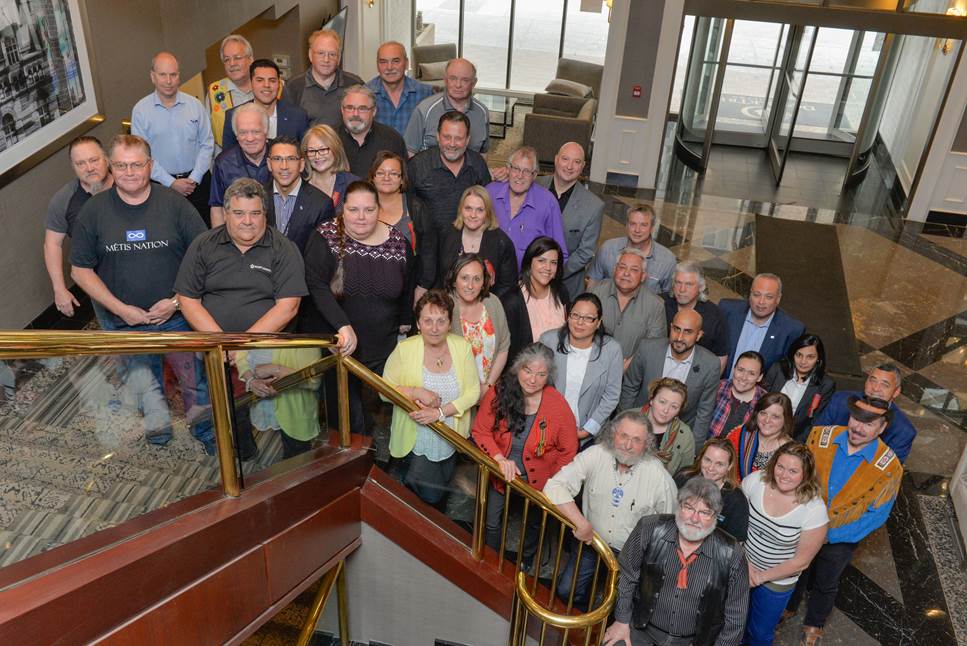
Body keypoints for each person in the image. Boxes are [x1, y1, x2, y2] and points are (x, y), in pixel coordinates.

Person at [69, 134, 213, 453]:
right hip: (124, 322)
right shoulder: (93, 211)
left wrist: (176, 301)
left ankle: (206, 432)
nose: (130, 172)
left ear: (150, 166)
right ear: (110, 166)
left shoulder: (175, 204)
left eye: (137, 164)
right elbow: (79, 270)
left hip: (176, 317)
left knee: (195, 381)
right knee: (145, 385)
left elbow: (205, 257)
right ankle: (158, 436)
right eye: (121, 165)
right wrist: (119, 309)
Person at [174, 178, 310, 457]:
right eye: (239, 213)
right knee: (229, 410)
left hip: (270, 350)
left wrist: (242, 347)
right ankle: (242, 453)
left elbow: (288, 307)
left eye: (255, 213)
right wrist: (221, 342)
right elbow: (188, 299)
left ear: (265, 214)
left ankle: (296, 462)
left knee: (289, 413)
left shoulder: (283, 248)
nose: (247, 221)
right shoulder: (204, 244)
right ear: (226, 214)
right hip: (216, 348)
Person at [786, 396, 903, 646]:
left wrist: (832, 535)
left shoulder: (889, 466)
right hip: (805, 523)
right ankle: (789, 606)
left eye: (869, 424)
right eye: (856, 419)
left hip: (842, 534)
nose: (859, 428)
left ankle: (815, 622)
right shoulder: (820, 437)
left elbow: (877, 515)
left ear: (882, 428)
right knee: (796, 568)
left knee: (827, 582)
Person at [302, 181, 415, 433]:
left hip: (383, 351)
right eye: (353, 210)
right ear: (343, 208)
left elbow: (407, 289)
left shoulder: (398, 244)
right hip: (340, 349)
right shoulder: (326, 236)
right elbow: (315, 285)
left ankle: (378, 463)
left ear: (379, 209)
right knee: (348, 423)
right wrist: (342, 325)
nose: (361, 217)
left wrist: (405, 328)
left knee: (384, 418)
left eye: (369, 210)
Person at [544, 410, 678, 608]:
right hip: (591, 542)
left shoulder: (660, 479)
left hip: (631, 556)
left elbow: (669, 529)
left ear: (647, 444)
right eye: (623, 436)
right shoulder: (596, 454)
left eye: (637, 440)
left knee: (618, 607)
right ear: (613, 433)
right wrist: (581, 523)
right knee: (567, 591)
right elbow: (553, 487)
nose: (628, 445)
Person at [602, 477, 749, 646]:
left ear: (715, 516)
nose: (694, 518)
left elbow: (736, 616)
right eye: (689, 507)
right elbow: (627, 576)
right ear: (678, 506)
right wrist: (621, 620)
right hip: (642, 628)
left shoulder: (731, 553)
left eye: (704, 512)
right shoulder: (649, 528)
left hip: (694, 641)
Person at [471, 343, 578, 562]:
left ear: (548, 376)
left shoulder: (558, 406)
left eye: (541, 374)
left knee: (535, 524)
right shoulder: (499, 391)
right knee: (490, 521)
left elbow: (568, 451)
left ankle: (526, 562)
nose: (532, 379)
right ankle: (490, 560)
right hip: (499, 473)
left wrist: (552, 481)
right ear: (518, 368)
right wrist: (499, 459)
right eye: (527, 371)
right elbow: (480, 431)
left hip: (539, 482)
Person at [382, 290, 480, 505]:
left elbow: (473, 391)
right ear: (418, 323)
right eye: (428, 321)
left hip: (450, 437)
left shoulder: (461, 348)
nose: (434, 328)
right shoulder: (405, 349)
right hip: (416, 440)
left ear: (449, 323)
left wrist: (441, 412)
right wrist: (416, 392)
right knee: (427, 497)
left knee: (441, 492)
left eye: (440, 321)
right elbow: (384, 389)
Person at [742, 443, 828, 646]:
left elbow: (801, 562)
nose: (784, 475)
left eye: (793, 470)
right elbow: (735, 523)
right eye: (780, 466)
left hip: (776, 580)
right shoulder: (755, 482)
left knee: (759, 633)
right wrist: (744, 564)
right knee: (732, 622)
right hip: (742, 565)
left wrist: (759, 577)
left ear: (806, 474)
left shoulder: (814, 510)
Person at [131, 52, 214, 224]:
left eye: (173, 75)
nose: (168, 81)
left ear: (179, 76)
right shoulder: (140, 111)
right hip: (160, 186)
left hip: (198, 184)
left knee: (205, 233)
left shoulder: (195, 106)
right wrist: (171, 183)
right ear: (152, 77)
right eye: (163, 75)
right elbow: (142, 157)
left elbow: (207, 144)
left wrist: (195, 178)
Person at [620, 310, 720, 443]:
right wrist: (626, 424)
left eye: (688, 332)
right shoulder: (647, 348)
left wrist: (694, 450)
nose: (679, 337)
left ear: (699, 335)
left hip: (677, 439)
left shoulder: (710, 364)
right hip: (639, 427)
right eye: (676, 329)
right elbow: (629, 388)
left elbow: (704, 412)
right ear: (671, 327)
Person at [539, 293, 623, 448]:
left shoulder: (611, 350)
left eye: (588, 318)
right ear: (568, 317)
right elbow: (536, 385)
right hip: (545, 427)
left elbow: (611, 396)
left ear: (598, 323)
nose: (579, 322)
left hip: (587, 436)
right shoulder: (548, 341)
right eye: (575, 315)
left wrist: (587, 430)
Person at [45, 136, 113, 317]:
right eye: (81, 163)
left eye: (94, 160)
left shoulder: (129, 183)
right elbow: (52, 244)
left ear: (106, 158)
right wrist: (59, 289)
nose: (89, 168)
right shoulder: (64, 200)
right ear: (73, 166)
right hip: (101, 286)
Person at [536, 142, 604, 300]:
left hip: (566, 285)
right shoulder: (535, 186)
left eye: (577, 162)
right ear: (555, 160)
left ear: (583, 167)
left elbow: (585, 251)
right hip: (527, 279)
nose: (570, 166)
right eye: (565, 159)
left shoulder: (594, 206)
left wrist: (553, 271)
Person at [408, 111, 492, 232]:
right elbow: (403, 208)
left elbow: (487, 206)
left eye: (458, 138)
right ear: (437, 136)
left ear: (468, 139)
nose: (452, 144)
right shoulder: (417, 165)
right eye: (446, 137)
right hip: (427, 245)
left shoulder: (477, 164)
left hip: (467, 243)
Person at [813, 363, 914, 463]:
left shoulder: (903, 431)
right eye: (872, 381)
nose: (875, 388)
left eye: (884, 385)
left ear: (896, 391)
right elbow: (816, 436)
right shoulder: (840, 401)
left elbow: (887, 471)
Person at [487, 146, 568, 269]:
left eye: (526, 171)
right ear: (508, 169)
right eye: (516, 169)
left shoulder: (548, 203)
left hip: (527, 283)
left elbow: (560, 253)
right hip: (487, 279)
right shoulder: (490, 193)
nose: (520, 176)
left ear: (534, 175)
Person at [369, 150, 436, 297]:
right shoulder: (362, 206)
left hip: (408, 289)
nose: (387, 177)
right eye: (380, 173)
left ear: (402, 179)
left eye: (394, 173)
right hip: (369, 288)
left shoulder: (416, 208)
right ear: (373, 177)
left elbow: (428, 252)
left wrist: (422, 287)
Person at [435, 185, 518, 298]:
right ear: (461, 210)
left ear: (487, 213)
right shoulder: (446, 235)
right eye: (468, 208)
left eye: (479, 210)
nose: (473, 215)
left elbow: (508, 286)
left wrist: (486, 305)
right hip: (450, 304)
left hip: (487, 307)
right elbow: (438, 279)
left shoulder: (501, 242)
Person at [446, 253, 510, 399]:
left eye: (477, 279)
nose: (470, 285)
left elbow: (503, 347)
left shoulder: (493, 302)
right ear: (454, 280)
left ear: (483, 282)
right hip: (456, 393)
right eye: (464, 278)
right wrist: (471, 393)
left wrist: (487, 387)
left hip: (490, 391)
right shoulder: (444, 306)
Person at [589, 248, 667, 365]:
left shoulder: (656, 305)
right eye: (622, 267)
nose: (626, 273)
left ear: (643, 276)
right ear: (615, 270)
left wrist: (630, 365)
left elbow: (654, 347)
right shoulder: (595, 292)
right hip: (591, 363)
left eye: (634, 270)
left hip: (630, 375)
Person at [720, 273, 805, 378]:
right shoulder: (727, 310)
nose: (761, 302)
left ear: (778, 299)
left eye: (769, 297)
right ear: (750, 294)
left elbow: (787, 373)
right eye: (756, 294)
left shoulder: (791, 330)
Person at [261, 136, 334, 254]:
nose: (284, 166)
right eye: (277, 159)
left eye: (291, 159)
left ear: (301, 164)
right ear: (269, 164)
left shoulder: (321, 204)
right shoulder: (258, 197)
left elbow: (321, 257)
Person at [404, 58, 490, 155]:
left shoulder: (482, 112)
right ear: (445, 80)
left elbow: (483, 153)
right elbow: (410, 152)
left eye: (465, 80)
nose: (458, 85)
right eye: (453, 78)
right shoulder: (424, 110)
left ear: (474, 83)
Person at [221, 58, 311, 152]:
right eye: (260, 80)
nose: (266, 85)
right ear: (251, 83)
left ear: (279, 84)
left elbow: (304, 155)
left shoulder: (298, 116)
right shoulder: (233, 115)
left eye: (272, 80)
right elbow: (229, 159)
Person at [502, 237, 568, 359]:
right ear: (529, 262)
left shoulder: (561, 291)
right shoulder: (512, 301)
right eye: (541, 261)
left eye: (553, 262)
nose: (548, 268)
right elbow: (508, 352)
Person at [282, 28, 364, 128]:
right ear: (310, 55)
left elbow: (365, 121)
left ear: (338, 58)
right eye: (321, 53)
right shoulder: (294, 86)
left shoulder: (354, 84)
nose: (326, 60)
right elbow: (288, 128)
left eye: (332, 54)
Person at [588, 204, 676, 296]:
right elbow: (593, 283)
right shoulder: (608, 248)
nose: (637, 230)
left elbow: (668, 297)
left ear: (652, 228)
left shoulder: (667, 260)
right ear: (626, 225)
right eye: (633, 224)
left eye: (643, 225)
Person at [763, 334, 836, 442]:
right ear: (793, 354)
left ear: (818, 359)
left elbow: (815, 422)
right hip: (764, 427)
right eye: (799, 355)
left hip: (793, 438)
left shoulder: (825, 384)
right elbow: (761, 401)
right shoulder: (778, 369)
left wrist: (794, 444)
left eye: (810, 357)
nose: (803, 361)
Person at [674, 438, 749, 541]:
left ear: (729, 466)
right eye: (707, 460)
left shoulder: (736, 501)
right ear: (701, 458)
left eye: (719, 464)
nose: (711, 468)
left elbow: (735, 543)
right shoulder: (683, 478)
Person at [209, 103, 270, 227]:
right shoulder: (223, 163)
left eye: (256, 131)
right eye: (243, 133)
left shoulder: (281, 157)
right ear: (236, 135)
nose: (250, 138)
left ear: (266, 131)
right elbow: (217, 208)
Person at [663, 261, 729, 374]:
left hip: (695, 375)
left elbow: (721, 357)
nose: (682, 289)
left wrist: (710, 384)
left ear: (701, 287)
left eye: (689, 284)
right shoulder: (660, 304)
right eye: (678, 283)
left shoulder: (715, 316)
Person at [366, 41, 433, 136]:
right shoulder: (365, 94)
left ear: (406, 63)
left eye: (396, 61)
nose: (389, 67)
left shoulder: (425, 93)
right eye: (383, 62)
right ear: (377, 65)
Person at [338, 85, 407, 177]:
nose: (355, 114)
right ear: (342, 110)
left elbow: (403, 179)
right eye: (350, 108)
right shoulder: (330, 139)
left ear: (374, 111)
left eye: (362, 108)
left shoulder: (392, 139)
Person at [725, 392, 796, 479]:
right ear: (756, 414)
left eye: (775, 417)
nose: (767, 420)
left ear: (786, 420)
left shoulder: (791, 452)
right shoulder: (740, 435)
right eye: (763, 413)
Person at [639, 377, 696, 476]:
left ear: (679, 410)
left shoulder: (685, 436)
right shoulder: (628, 418)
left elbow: (684, 476)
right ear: (652, 399)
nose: (666, 410)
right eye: (662, 402)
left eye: (674, 406)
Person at [207, 34, 254, 151]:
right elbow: (207, 137)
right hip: (227, 162)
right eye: (227, 59)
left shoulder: (267, 87)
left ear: (250, 59)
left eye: (237, 57)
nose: (232, 63)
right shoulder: (214, 92)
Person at [708, 350, 767, 440]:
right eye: (740, 370)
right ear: (734, 369)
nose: (743, 377)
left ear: (759, 377)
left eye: (751, 373)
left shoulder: (765, 402)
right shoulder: (718, 387)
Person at [302, 124, 359, 211]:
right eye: (312, 151)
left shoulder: (354, 184)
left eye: (323, 149)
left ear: (335, 149)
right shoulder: (299, 185)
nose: (317, 156)